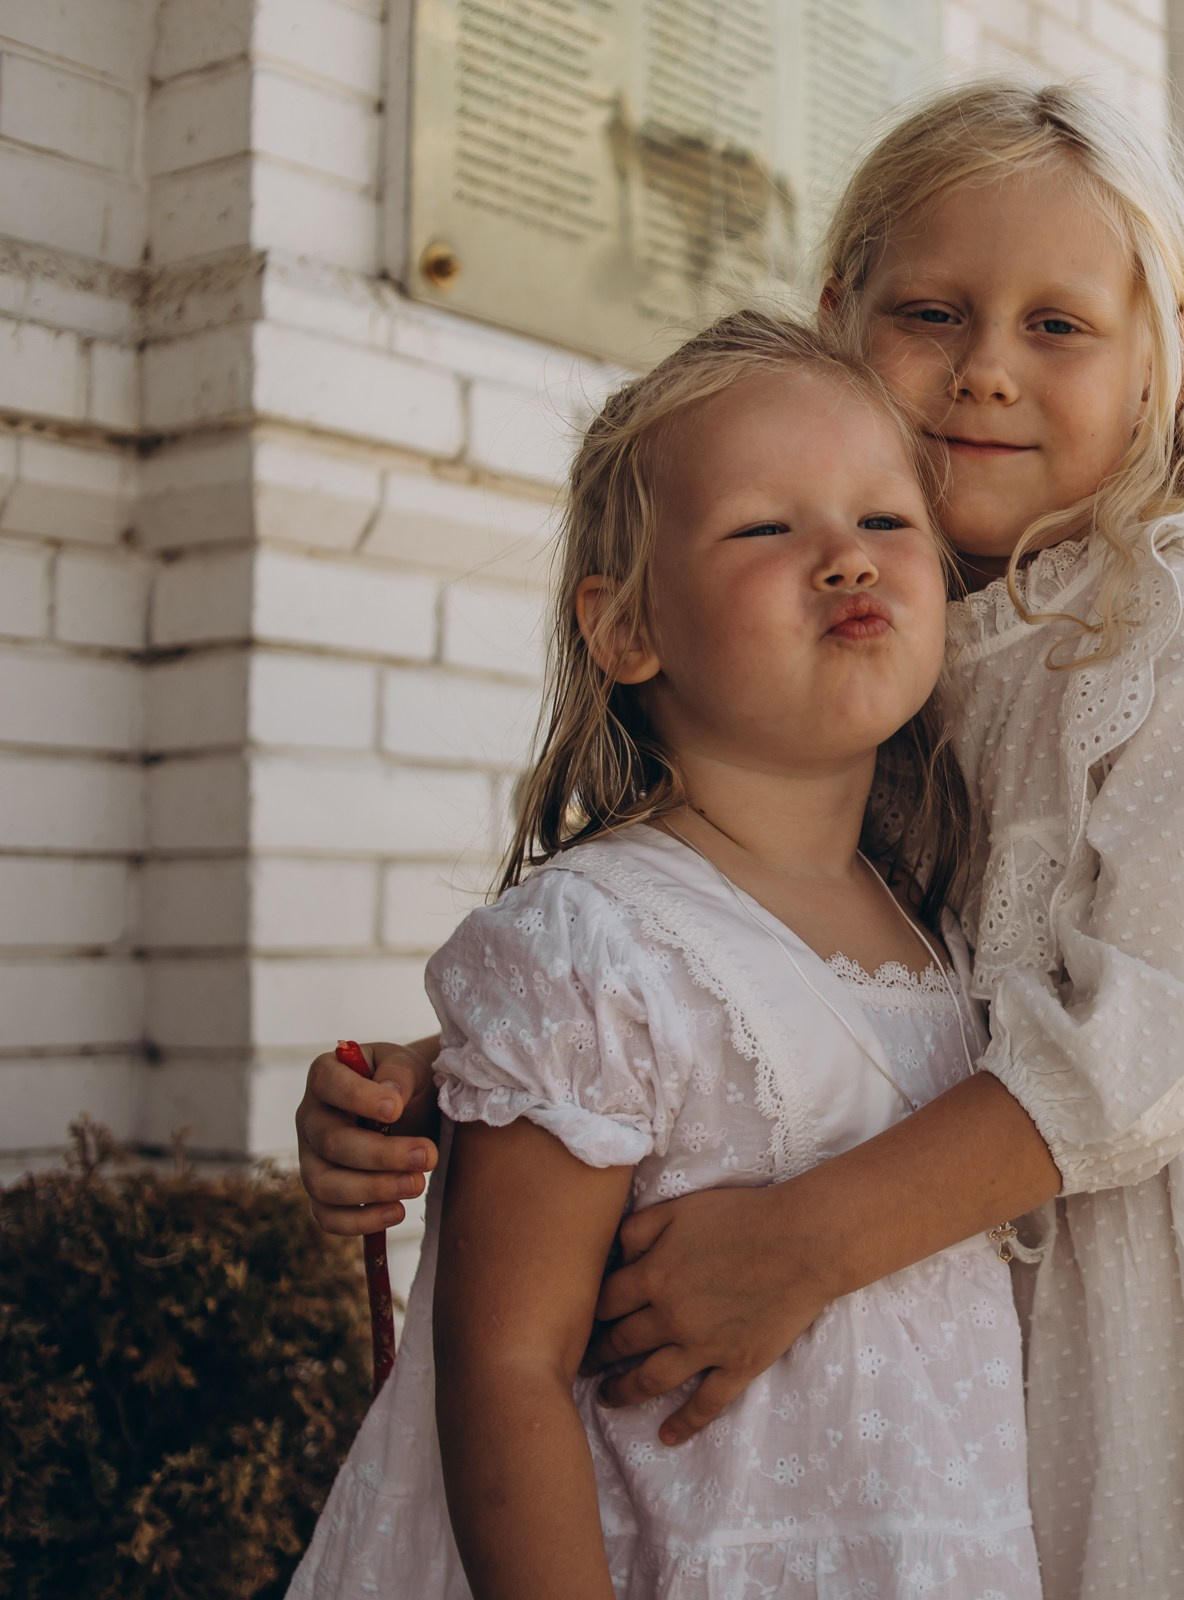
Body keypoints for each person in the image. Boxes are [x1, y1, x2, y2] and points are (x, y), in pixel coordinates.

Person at [298, 81, 1184, 1599]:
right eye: (932, 313)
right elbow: (795, 990)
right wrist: (483, 1083)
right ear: (841, 317)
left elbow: (1145, 1041)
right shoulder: (881, 645)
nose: (984, 374)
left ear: (1177, 355)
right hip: (985, 1286)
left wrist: (797, 1247)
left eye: (1057, 327)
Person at [288, 313, 1040, 1599]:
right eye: (766, 527)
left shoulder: (948, 921)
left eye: (885, 520)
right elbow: (504, 1369)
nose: (845, 559)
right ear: (628, 626)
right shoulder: (595, 948)